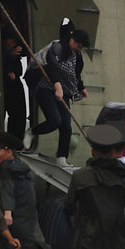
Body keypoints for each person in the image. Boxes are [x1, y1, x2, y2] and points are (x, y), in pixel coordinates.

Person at [33, 24, 89, 160]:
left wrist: (81, 87)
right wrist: (57, 86)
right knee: (54, 121)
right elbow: (52, 68)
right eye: (79, 46)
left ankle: (61, 157)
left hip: (63, 93)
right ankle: (32, 132)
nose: (79, 49)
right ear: (73, 40)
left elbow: (76, 73)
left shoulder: (77, 55)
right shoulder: (57, 48)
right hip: (47, 90)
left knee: (66, 127)